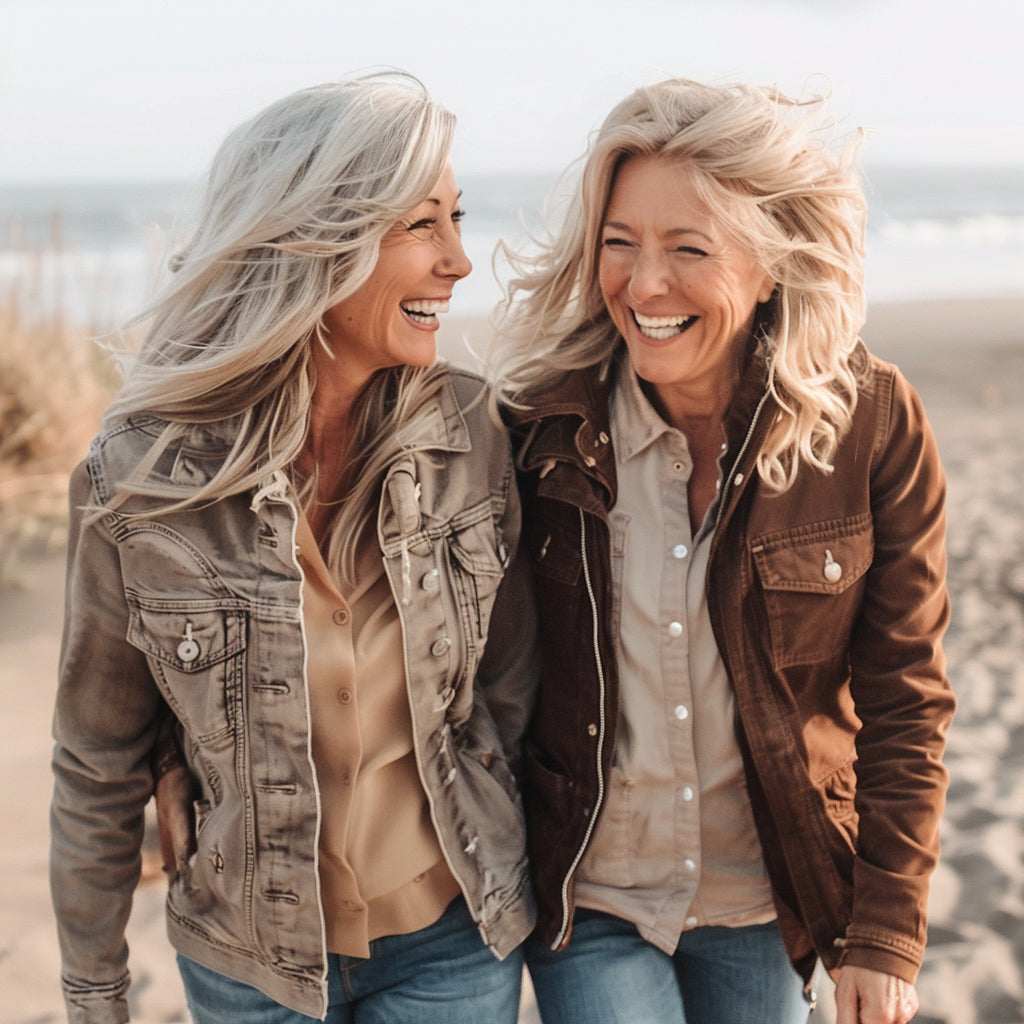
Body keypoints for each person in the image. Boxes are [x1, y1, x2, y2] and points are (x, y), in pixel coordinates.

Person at [50, 72, 537, 1024]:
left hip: (451, 941)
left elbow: (511, 692)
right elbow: (96, 757)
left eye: (457, 218)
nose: (460, 261)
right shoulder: (140, 481)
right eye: (423, 226)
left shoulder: (473, 435)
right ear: (320, 241)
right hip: (246, 965)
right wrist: (95, 992)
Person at [487, 77, 954, 1024]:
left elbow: (906, 697)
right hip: (592, 893)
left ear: (772, 261)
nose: (644, 285)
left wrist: (884, 932)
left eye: (687, 249)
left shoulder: (871, 424)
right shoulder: (541, 432)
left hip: (766, 896)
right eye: (619, 246)